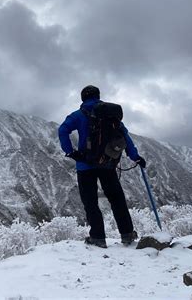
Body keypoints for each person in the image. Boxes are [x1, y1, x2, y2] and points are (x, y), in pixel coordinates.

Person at [58, 85, 146, 248]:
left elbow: (63, 130)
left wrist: (71, 152)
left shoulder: (78, 115)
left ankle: (98, 237)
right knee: (117, 198)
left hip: (85, 165)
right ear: (98, 96)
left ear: (83, 98)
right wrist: (135, 157)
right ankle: (127, 234)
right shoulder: (111, 116)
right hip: (108, 163)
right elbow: (125, 137)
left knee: (90, 201)